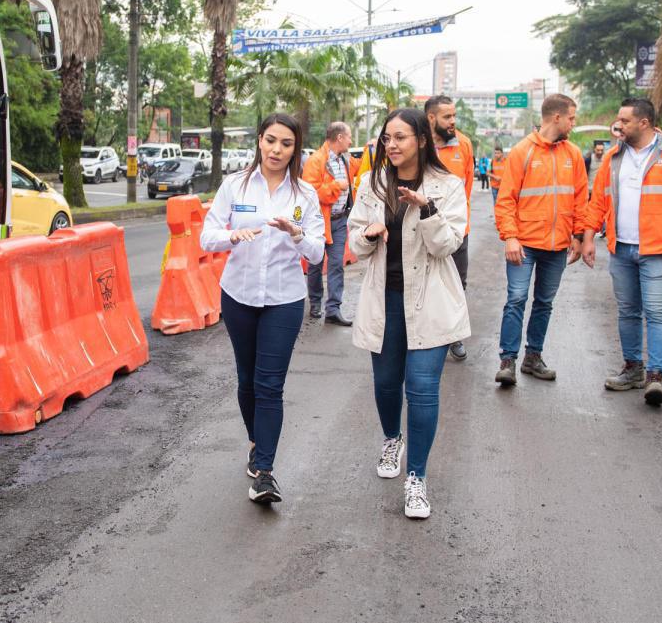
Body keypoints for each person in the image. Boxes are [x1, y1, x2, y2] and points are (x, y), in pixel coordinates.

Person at [347, 108, 469, 520]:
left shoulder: (448, 186)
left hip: (431, 301)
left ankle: (416, 478)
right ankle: (390, 438)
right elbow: (356, 242)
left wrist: (428, 209)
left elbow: (448, 245)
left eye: (400, 137)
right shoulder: (371, 183)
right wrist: (368, 233)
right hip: (386, 300)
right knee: (385, 383)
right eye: (387, 138)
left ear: (420, 139)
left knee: (421, 390)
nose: (392, 145)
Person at [201, 113, 326, 503]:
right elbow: (208, 236)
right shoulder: (234, 185)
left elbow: (318, 251)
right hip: (238, 296)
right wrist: (230, 236)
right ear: (259, 140)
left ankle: (265, 473)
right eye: (271, 140)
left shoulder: (304, 195)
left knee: (270, 385)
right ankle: (257, 442)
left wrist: (298, 233)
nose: (276, 150)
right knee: (247, 380)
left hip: (284, 300)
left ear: (295, 149)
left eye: (286, 144)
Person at [580, 98, 662, 406]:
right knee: (628, 312)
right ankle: (633, 369)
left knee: (657, 314)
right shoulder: (613, 157)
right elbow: (598, 203)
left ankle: (656, 377)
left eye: (624, 120)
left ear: (644, 123)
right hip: (622, 249)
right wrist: (586, 238)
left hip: (660, 251)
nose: (618, 125)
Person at [492, 94, 587, 386]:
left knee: (544, 302)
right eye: (571, 117)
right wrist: (510, 237)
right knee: (516, 299)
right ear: (556, 117)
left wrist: (579, 235)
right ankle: (508, 360)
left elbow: (581, 198)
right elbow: (506, 199)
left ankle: (533, 357)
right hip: (524, 244)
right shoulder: (523, 151)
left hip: (557, 246)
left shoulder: (573, 154)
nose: (574, 122)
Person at [425, 95, 474, 361]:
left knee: (457, 284)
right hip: (422, 229)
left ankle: (454, 336)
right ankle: (424, 335)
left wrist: (457, 222)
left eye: (454, 116)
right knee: (423, 283)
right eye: (447, 116)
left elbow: (466, 187)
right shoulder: (418, 143)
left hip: (456, 232)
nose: (453, 121)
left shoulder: (464, 144)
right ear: (431, 118)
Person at [302, 122, 356, 325]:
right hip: (319, 222)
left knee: (336, 265)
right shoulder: (315, 161)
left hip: (340, 220)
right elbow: (311, 193)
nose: (351, 141)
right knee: (315, 263)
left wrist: (373, 149)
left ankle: (333, 309)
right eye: (349, 136)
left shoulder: (345, 160)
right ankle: (315, 303)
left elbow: (363, 165)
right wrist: (336, 186)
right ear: (340, 137)